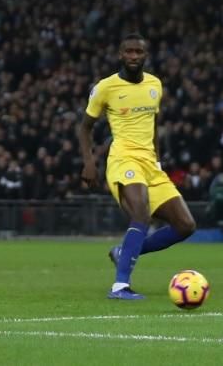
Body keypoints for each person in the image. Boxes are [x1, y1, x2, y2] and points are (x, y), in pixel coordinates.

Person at [78, 33, 196, 300]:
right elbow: (85, 127)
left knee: (185, 225)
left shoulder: (155, 84)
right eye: (129, 51)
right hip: (123, 159)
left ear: (146, 55)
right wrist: (89, 162)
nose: (133, 56)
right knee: (141, 214)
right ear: (120, 55)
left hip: (150, 164)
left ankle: (124, 252)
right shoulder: (106, 87)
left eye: (138, 52)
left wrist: (158, 162)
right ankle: (120, 286)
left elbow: (153, 125)